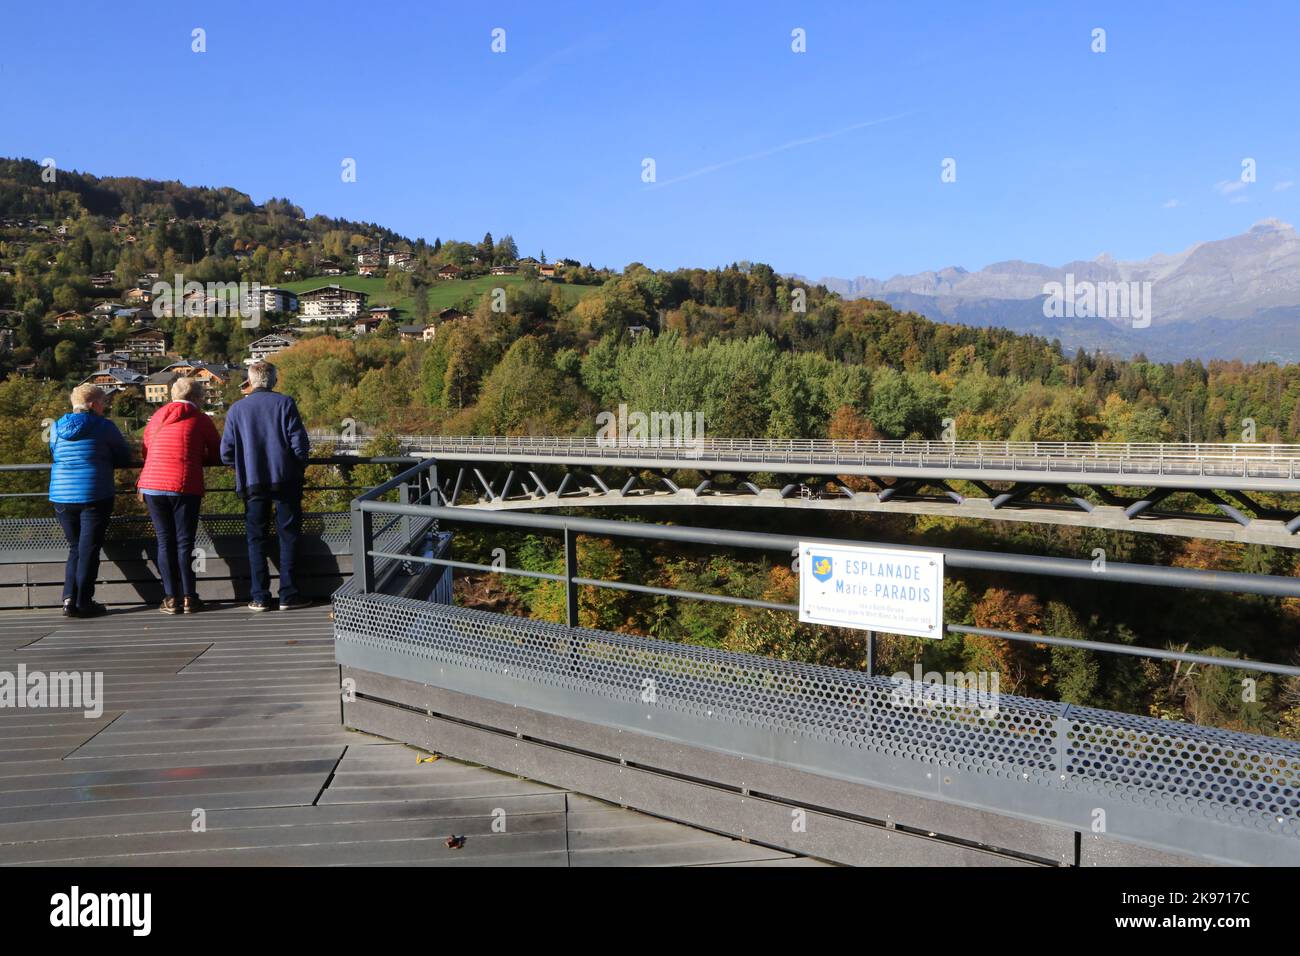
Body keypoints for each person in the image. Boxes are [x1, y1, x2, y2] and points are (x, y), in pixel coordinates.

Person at [220, 361, 312, 611]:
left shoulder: (237, 410)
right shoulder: (285, 403)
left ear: (249, 382)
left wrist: (241, 467)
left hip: (252, 483)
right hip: (285, 480)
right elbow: (299, 444)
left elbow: (226, 451)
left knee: (256, 539)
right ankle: (288, 595)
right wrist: (298, 466)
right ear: (274, 380)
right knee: (288, 536)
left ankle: (260, 596)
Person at [137, 377, 222, 614]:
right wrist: (197, 458)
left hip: (152, 484)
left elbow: (145, 450)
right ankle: (189, 597)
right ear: (196, 398)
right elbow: (217, 452)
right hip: (183, 484)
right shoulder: (200, 419)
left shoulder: (156, 418)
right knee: (185, 542)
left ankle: (170, 597)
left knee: (165, 541)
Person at [48, 384, 132, 617]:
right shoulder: (104, 426)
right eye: (103, 402)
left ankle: (68, 599)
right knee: (89, 548)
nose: (105, 407)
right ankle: (84, 601)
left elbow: (53, 453)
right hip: (94, 493)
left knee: (75, 547)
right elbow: (123, 456)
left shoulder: (55, 427)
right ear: (94, 404)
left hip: (61, 495)